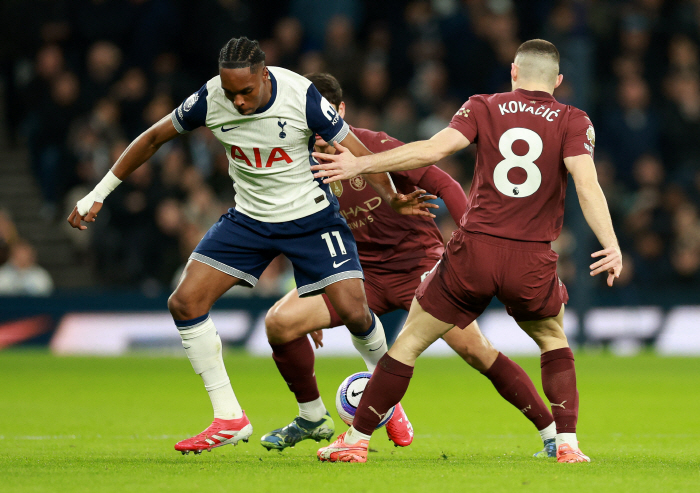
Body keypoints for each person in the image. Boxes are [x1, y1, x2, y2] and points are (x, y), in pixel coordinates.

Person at [67, 37, 434, 455]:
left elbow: (356, 150)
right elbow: (152, 138)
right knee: (184, 303)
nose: (238, 102)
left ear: (265, 75)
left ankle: (388, 399)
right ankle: (229, 417)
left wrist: (391, 198)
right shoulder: (209, 98)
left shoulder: (302, 96)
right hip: (250, 220)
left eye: (246, 91)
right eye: (230, 92)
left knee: (354, 311)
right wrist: (100, 192)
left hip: (311, 220)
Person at [313, 39, 623, 464]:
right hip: (530, 257)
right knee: (552, 339)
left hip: (474, 249)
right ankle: (566, 444)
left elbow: (432, 151)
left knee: (407, 344)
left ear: (514, 71)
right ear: (559, 80)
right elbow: (587, 184)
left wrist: (360, 164)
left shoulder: (484, 106)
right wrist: (611, 244)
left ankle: (356, 442)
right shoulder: (573, 120)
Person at [261, 73, 559, 457]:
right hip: (356, 275)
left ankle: (552, 434)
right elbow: (299, 230)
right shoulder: (294, 163)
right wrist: (312, 281)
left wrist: (472, 239)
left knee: (475, 350)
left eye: (325, 116)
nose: (317, 129)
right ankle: (312, 417)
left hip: (418, 266)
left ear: (340, 112)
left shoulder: (374, 146)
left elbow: (446, 185)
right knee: (281, 323)